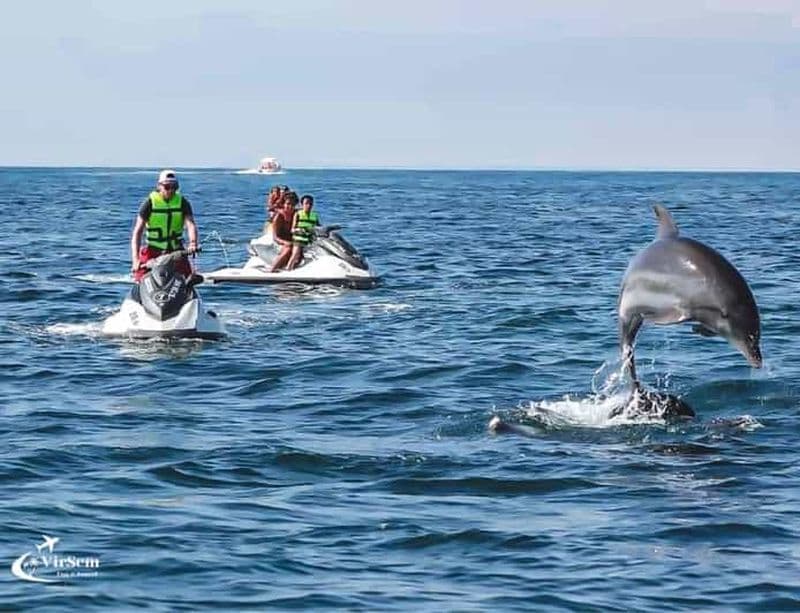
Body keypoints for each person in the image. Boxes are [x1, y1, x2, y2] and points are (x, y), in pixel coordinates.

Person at [130, 169, 200, 282]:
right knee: (140, 277)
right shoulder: (149, 203)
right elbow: (137, 232)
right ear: (159, 186)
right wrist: (135, 259)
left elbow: (190, 224)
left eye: (174, 187)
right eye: (167, 187)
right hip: (153, 251)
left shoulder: (182, 203)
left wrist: (193, 243)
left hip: (176, 251)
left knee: (188, 278)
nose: (171, 190)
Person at [287, 194, 321, 270]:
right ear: (302, 204)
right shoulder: (298, 214)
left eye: (310, 204)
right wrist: (299, 230)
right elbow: (292, 229)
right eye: (306, 203)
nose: (308, 205)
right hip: (299, 239)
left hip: (310, 239)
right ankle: (288, 269)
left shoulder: (314, 215)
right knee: (295, 254)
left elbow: (319, 227)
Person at [270, 190, 298, 272]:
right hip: (280, 241)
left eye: (293, 205)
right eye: (288, 204)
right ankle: (272, 270)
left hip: (292, 240)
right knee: (289, 247)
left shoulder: (297, 214)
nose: (290, 207)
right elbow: (275, 237)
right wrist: (285, 242)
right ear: (283, 204)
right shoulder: (279, 216)